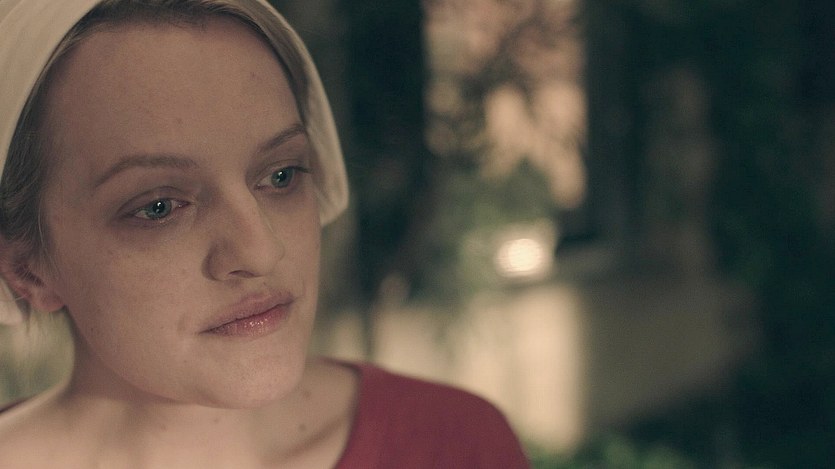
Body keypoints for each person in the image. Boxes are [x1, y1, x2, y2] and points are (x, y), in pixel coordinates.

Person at [0, 0, 529, 467]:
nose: (261, 250)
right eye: (159, 208)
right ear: (28, 270)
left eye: (280, 175)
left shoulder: (453, 446)